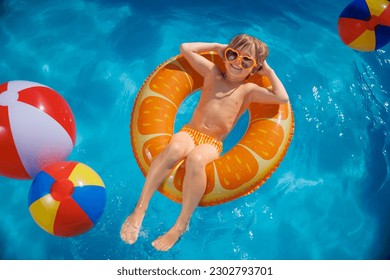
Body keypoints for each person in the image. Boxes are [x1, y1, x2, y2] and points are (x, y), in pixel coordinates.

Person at [121, 34, 289, 251]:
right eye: (233, 55)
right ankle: (140, 208)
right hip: (190, 131)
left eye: (246, 60)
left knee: (197, 159)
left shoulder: (249, 91)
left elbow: (282, 98)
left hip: (212, 143)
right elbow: (185, 48)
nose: (237, 63)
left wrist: (269, 72)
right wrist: (217, 47)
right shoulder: (212, 73)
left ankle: (181, 224)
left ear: (254, 68)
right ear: (225, 55)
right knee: (175, 148)